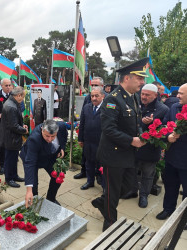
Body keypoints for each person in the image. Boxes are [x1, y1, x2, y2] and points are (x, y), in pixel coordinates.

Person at [92, 58, 148, 231]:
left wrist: (142, 134)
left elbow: (134, 123)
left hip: (127, 153)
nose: (142, 82)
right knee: (113, 192)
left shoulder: (134, 98)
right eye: (139, 78)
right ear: (126, 79)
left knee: (129, 187)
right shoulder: (113, 99)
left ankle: (103, 201)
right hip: (113, 155)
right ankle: (109, 224)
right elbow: (109, 129)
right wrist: (132, 140)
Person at [133, 84, 169, 208]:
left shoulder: (163, 109)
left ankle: (143, 196)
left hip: (150, 150)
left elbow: (165, 131)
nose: (143, 97)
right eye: (142, 94)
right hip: (134, 147)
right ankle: (132, 191)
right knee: (132, 172)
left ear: (155, 95)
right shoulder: (136, 103)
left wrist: (152, 123)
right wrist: (141, 122)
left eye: (147, 95)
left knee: (148, 175)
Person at [156, 83, 187, 220]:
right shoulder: (174, 107)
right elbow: (164, 125)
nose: (177, 95)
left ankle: (184, 218)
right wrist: (168, 136)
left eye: (181, 93)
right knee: (170, 186)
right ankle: (168, 209)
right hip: (172, 157)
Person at [20, 119, 68, 207]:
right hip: (33, 158)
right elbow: (30, 163)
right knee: (33, 184)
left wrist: (62, 148)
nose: (50, 139)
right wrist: (29, 190)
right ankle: (34, 201)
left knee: (58, 176)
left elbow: (64, 137)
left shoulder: (61, 126)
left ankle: (51, 199)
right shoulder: (34, 139)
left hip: (49, 156)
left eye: (53, 136)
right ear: (42, 129)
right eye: (47, 136)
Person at [74, 77, 105, 180]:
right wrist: (80, 138)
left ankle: (101, 180)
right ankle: (89, 179)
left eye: (96, 85)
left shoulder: (108, 103)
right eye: (92, 85)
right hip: (88, 140)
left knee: (100, 162)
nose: (94, 98)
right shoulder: (87, 103)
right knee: (88, 160)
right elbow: (83, 121)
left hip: (100, 140)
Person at [0, 86, 28, 188]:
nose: (22, 99)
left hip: (13, 137)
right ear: (18, 95)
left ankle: (14, 175)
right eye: (22, 97)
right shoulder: (11, 106)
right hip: (10, 138)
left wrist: (22, 125)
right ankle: (9, 179)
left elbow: (16, 121)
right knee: (10, 159)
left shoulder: (13, 103)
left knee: (14, 158)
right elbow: (13, 126)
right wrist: (24, 130)